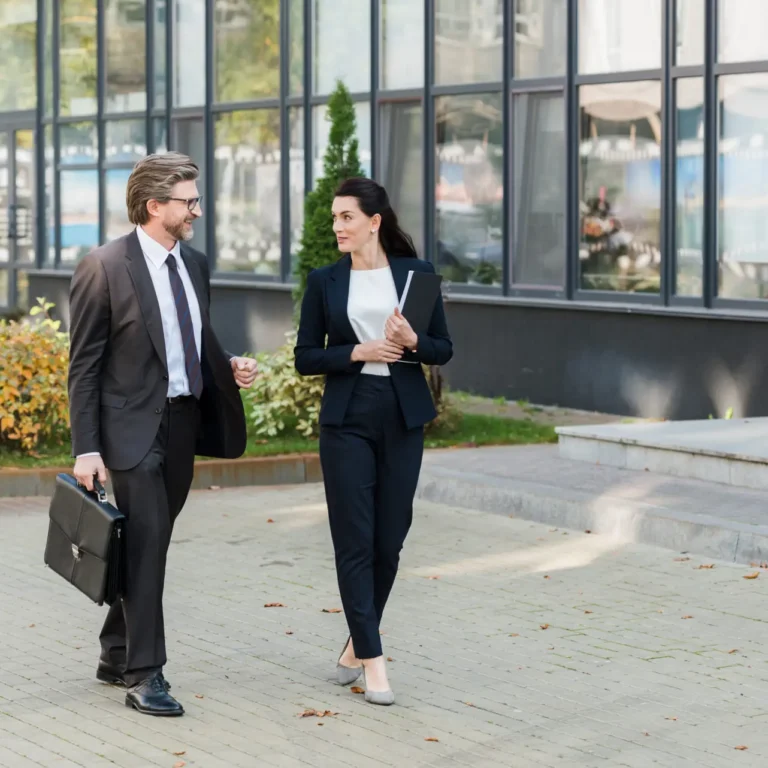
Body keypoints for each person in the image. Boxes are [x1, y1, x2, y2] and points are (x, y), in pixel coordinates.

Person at [68, 152, 258, 717]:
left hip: (181, 424)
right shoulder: (103, 266)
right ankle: (145, 674)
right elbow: (83, 366)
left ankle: (115, 648)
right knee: (149, 545)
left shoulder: (193, 264)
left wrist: (229, 366)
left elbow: (194, 335)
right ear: (154, 206)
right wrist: (86, 447)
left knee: (152, 544)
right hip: (127, 431)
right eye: (188, 201)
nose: (197, 209)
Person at [294, 177, 453, 705]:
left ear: (374, 221)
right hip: (347, 420)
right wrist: (357, 353)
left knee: (390, 540)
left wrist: (413, 342)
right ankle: (375, 662)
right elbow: (305, 358)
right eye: (335, 218)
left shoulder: (416, 275)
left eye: (346, 217)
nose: (337, 226)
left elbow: (443, 348)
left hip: (402, 416)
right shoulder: (325, 282)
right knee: (354, 541)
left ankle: (354, 646)